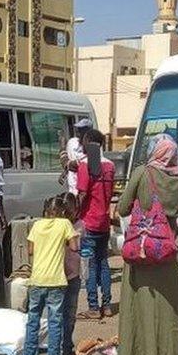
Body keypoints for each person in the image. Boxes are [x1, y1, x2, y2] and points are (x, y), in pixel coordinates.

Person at [115, 133, 178, 355]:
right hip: (170, 251)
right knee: (171, 318)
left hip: (142, 251)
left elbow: (122, 208)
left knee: (136, 317)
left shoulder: (142, 173)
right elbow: (177, 212)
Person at [23, 196, 80, 355]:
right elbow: (74, 247)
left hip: (37, 279)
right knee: (55, 323)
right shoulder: (64, 224)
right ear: (62, 211)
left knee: (33, 321)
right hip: (56, 280)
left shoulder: (37, 225)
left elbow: (30, 250)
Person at [76, 129, 115, 319]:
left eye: (83, 141)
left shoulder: (86, 165)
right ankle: (107, 305)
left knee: (90, 265)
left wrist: (74, 214)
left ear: (89, 142)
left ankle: (93, 306)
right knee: (103, 263)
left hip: (89, 222)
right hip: (104, 222)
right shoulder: (110, 165)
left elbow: (83, 194)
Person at [60, 192, 82, 355]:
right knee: (61, 315)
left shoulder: (80, 226)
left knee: (69, 315)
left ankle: (66, 348)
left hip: (73, 275)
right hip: (59, 276)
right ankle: (62, 350)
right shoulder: (59, 227)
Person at [60, 118, 92, 195]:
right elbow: (69, 160)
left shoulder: (93, 148)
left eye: (81, 129)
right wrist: (64, 172)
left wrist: (62, 148)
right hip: (72, 187)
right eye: (78, 129)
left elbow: (72, 165)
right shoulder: (72, 142)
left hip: (83, 191)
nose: (78, 131)